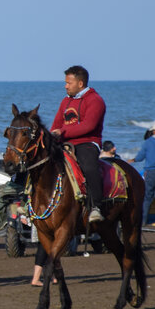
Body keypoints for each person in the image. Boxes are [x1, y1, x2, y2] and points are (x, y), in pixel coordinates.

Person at [50, 65, 106, 223]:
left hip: (87, 143)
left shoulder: (95, 100)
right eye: (66, 82)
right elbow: (56, 124)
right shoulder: (65, 101)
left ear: (80, 84)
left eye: (69, 83)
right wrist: (52, 135)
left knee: (89, 167)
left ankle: (96, 206)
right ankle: (28, 200)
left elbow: (89, 126)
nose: (65, 85)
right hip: (63, 142)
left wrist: (63, 132)